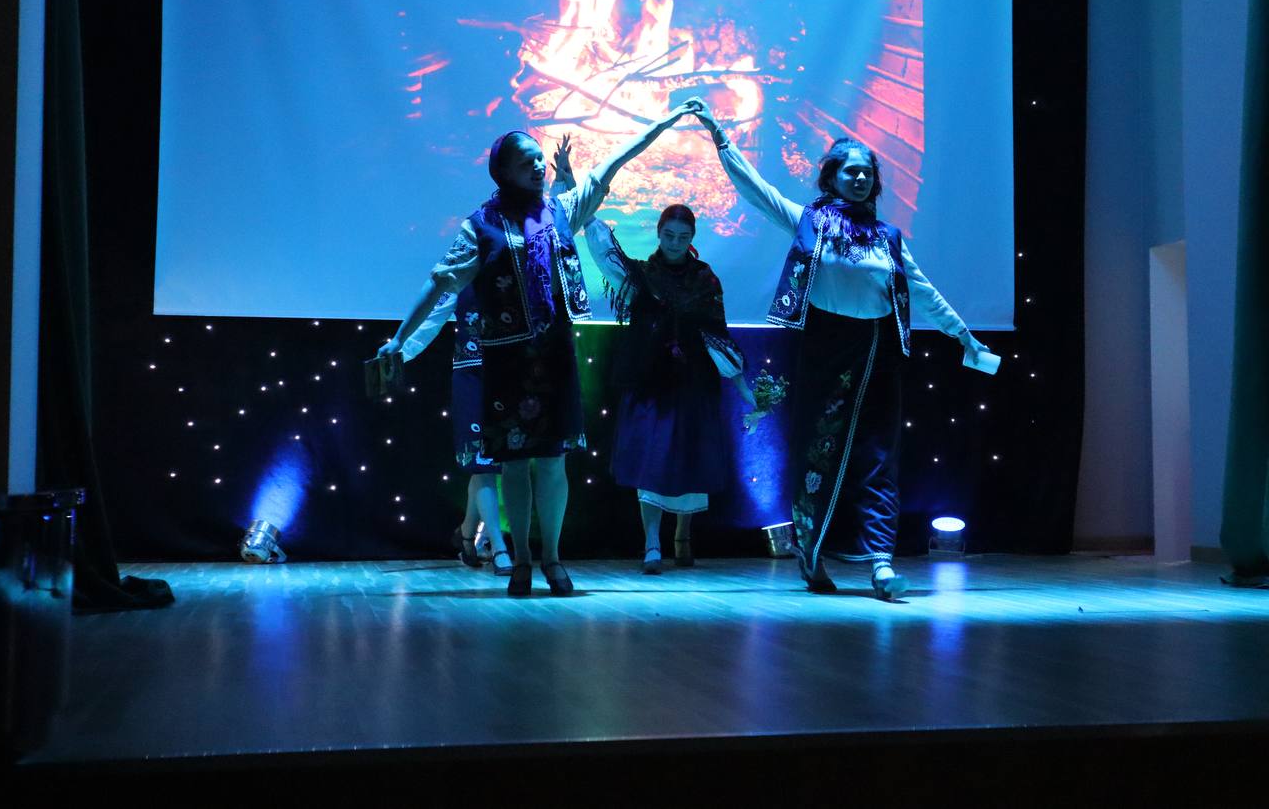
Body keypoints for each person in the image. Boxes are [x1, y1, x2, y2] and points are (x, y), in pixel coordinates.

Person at [378, 103, 699, 596]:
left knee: (553, 462)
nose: (537, 165)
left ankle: (552, 557)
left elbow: (613, 163)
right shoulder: (481, 226)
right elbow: (439, 283)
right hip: (506, 361)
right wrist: (400, 338)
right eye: (525, 160)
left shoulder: (561, 211)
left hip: (554, 359)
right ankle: (523, 560)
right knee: (513, 464)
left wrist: (663, 122)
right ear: (502, 171)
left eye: (538, 157)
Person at [691, 100, 988, 600]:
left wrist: (962, 334)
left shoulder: (887, 238)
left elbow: (922, 289)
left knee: (878, 457)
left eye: (867, 172)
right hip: (826, 353)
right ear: (831, 178)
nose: (860, 178)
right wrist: (722, 138)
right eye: (851, 171)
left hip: (876, 355)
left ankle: (881, 563)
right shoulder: (810, 222)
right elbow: (758, 192)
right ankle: (811, 556)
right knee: (820, 453)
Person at [585, 207, 754, 573]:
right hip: (650, 381)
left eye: (683, 237)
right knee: (652, 460)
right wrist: (586, 214)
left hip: (693, 384)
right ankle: (651, 543)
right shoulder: (643, 275)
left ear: (692, 238)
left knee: (689, 460)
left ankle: (682, 535)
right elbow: (606, 256)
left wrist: (741, 381)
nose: (676, 243)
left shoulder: (705, 279)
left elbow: (716, 333)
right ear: (659, 233)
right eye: (670, 235)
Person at [396, 283, 513, 576]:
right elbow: (434, 314)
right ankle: (499, 547)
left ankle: (466, 534)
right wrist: (400, 350)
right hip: (472, 374)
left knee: (497, 465)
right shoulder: (462, 265)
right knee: (481, 462)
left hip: (512, 371)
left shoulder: (520, 263)